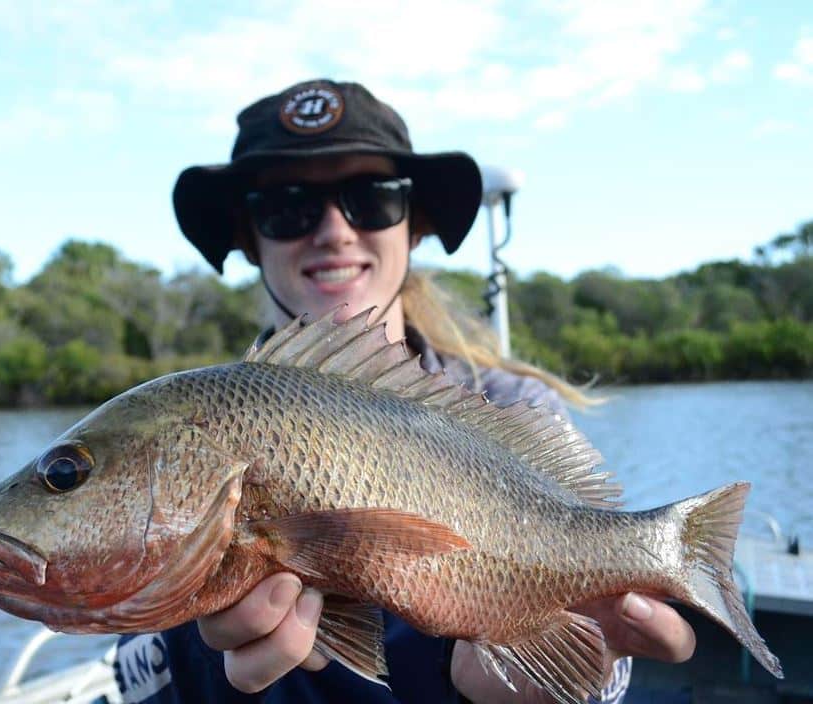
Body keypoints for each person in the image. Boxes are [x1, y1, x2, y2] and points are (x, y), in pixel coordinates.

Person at [114, 79, 696, 704]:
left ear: (414, 225)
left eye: (371, 198)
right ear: (250, 237)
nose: (334, 231)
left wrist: (540, 676)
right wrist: (207, 652)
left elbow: (596, 626)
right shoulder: (186, 428)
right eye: (287, 205)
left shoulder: (510, 405)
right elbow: (133, 669)